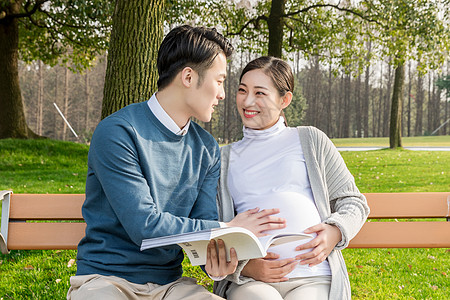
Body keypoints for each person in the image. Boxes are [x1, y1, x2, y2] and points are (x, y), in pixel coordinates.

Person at [67, 27, 286, 300]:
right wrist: (226, 228)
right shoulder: (118, 132)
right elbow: (144, 226)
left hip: (170, 286)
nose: (222, 94)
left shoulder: (206, 148)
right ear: (188, 76)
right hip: (107, 281)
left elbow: (203, 227)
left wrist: (217, 261)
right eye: (219, 81)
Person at [214, 56, 370, 300]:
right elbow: (213, 229)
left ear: (284, 99)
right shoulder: (223, 158)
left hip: (313, 275)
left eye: (260, 93)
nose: (247, 101)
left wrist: (334, 232)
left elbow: (353, 201)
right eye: (242, 90)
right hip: (250, 281)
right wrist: (248, 266)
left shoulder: (310, 140)